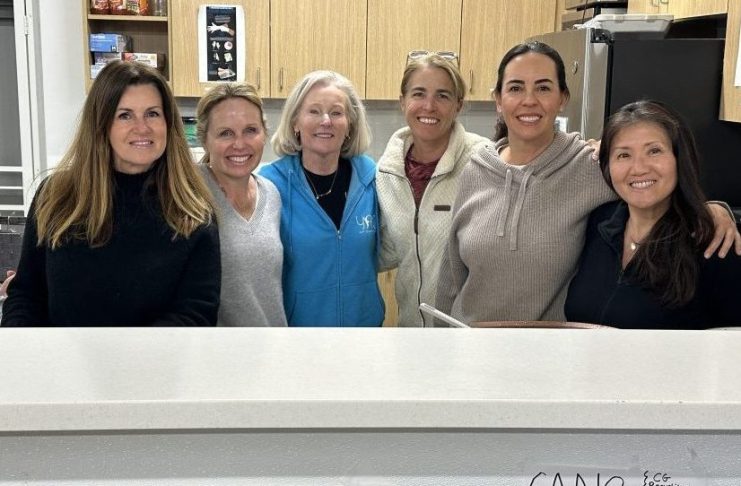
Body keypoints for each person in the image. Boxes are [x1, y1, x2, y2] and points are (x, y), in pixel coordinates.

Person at [435, 41, 740, 325]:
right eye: (516, 88)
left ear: (562, 98)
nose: (529, 100)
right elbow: (453, 272)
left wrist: (713, 209)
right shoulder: (475, 169)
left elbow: (650, 185)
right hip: (470, 346)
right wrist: (442, 339)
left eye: (543, 87)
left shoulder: (591, 166)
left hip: (550, 354)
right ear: (499, 100)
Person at [1, 61, 220, 326]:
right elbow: (26, 295)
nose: (142, 128)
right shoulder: (56, 196)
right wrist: (20, 344)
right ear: (101, 124)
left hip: (158, 354)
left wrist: (123, 353)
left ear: (168, 123)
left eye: (152, 114)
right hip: (61, 354)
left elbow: (196, 313)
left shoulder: (193, 210)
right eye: (125, 115)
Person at [565, 100, 741, 328]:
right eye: (624, 155)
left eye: (654, 151)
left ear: (679, 158)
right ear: (607, 166)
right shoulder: (598, 222)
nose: (639, 168)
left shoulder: (714, 242)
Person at [259, 70, 382, 326]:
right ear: (295, 122)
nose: (326, 121)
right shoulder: (270, 185)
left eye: (336, 113)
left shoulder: (372, 179)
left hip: (365, 333)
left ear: (349, 124)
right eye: (314, 111)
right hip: (299, 336)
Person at [377, 51, 488, 327]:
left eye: (442, 96)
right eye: (418, 94)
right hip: (411, 332)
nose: (429, 106)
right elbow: (385, 251)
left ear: (458, 105)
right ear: (403, 101)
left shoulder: (484, 161)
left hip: (468, 333)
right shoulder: (387, 172)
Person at [195, 83, 287, 326]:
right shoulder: (189, 193)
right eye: (225, 133)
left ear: (264, 134)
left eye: (250, 130)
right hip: (219, 348)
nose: (239, 143)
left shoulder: (271, 194)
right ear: (205, 139)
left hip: (274, 342)